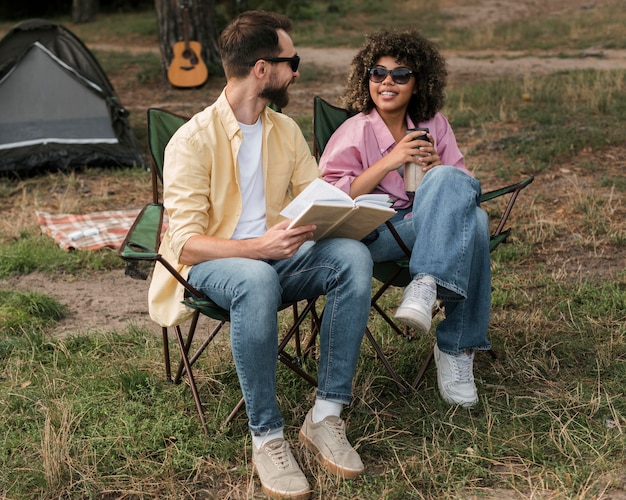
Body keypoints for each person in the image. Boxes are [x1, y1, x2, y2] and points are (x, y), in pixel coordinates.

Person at [148, 11, 373, 499]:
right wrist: (258, 248)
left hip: (280, 257)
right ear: (261, 69)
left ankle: (326, 416)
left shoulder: (286, 131)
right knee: (256, 279)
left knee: (353, 257)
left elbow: (315, 197)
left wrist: (343, 218)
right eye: (292, 62)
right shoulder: (191, 141)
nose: (297, 71)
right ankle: (267, 437)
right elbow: (185, 243)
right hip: (216, 267)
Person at [319, 28, 491, 409]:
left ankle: (428, 285)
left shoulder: (434, 124)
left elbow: (463, 186)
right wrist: (390, 161)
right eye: (377, 73)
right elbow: (332, 194)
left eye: (400, 75)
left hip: (428, 230)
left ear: (418, 83)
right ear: (366, 80)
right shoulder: (356, 129)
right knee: (474, 223)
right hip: (379, 232)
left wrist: (439, 169)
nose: (387, 82)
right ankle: (455, 343)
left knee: (470, 213)